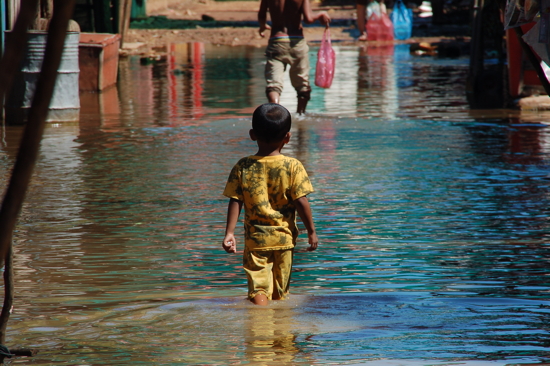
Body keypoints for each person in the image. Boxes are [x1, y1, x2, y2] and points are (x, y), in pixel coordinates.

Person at [222, 103, 318, 306]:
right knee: (280, 292)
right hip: (284, 239)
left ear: (252, 134)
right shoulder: (293, 166)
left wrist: (229, 233)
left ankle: (260, 321)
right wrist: (311, 231)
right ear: (287, 137)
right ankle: (279, 331)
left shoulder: (243, 166)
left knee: (258, 287)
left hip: (256, 240)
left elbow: (235, 200)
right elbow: (301, 201)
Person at [258, 0, 331, 114]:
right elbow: (308, 18)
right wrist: (320, 14)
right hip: (297, 42)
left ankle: (277, 116)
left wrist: (262, 26)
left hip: (277, 41)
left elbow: (262, 14)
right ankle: (300, 115)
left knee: (274, 86)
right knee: (302, 86)